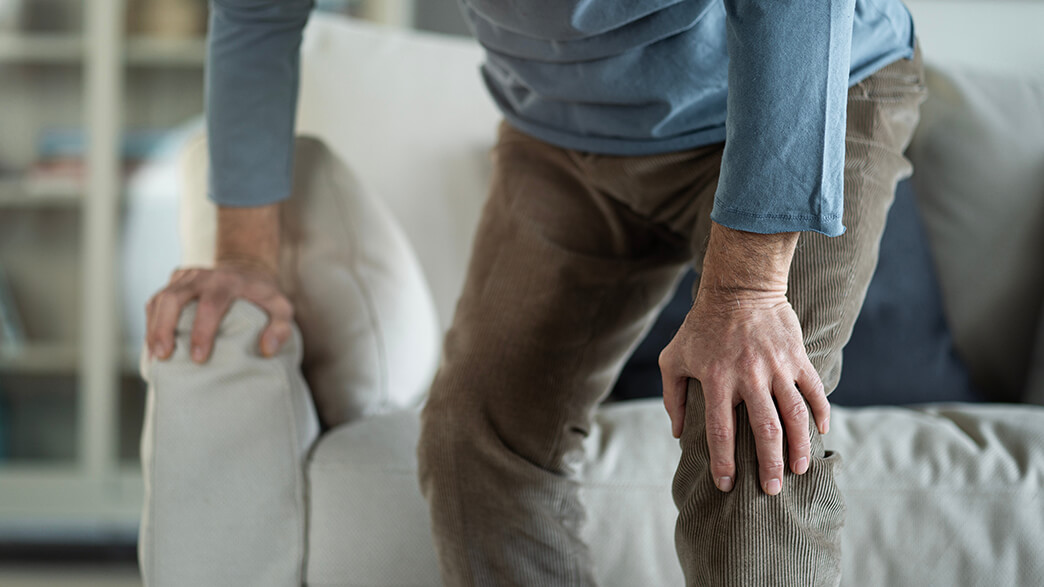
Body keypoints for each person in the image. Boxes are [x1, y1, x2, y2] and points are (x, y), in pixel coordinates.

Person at [145, 0, 926, 584]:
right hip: (566, 127)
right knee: (472, 441)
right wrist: (245, 257)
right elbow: (256, 12)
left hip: (805, 90)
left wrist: (749, 289)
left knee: (751, 423)